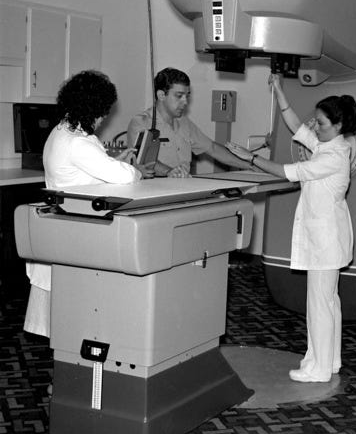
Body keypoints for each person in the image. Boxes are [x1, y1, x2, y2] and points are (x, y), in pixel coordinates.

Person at [226, 73, 356, 383]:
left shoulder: (333, 156)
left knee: (319, 304)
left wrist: (250, 158)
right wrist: (279, 91)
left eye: (321, 124)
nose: (316, 128)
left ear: (338, 125)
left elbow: (288, 171)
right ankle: (329, 361)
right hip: (328, 238)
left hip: (326, 241)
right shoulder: (331, 145)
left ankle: (319, 369)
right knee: (328, 302)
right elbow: (297, 127)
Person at [24, 69, 150, 339]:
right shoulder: (78, 142)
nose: (104, 118)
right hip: (76, 234)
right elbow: (125, 177)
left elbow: (87, 172)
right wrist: (134, 169)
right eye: (103, 111)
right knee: (75, 316)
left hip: (61, 229)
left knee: (61, 317)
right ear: (93, 108)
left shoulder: (61, 132)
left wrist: (113, 161)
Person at [127, 67, 249, 177]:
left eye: (187, 96)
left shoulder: (184, 123)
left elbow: (212, 148)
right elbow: (143, 160)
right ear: (161, 95)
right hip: (154, 190)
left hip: (183, 187)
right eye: (179, 96)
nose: (185, 102)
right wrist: (169, 172)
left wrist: (251, 165)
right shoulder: (141, 122)